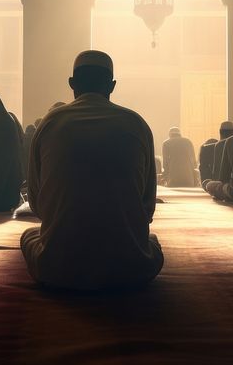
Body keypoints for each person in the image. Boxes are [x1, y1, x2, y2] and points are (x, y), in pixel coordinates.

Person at [21, 50, 163, 290]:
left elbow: (37, 204)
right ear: (112, 85)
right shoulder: (136, 124)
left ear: (72, 84)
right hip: (131, 268)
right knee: (152, 241)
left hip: (58, 268)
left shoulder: (50, 123)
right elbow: (146, 206)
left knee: (29, 235)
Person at [204, 120, 233, 191]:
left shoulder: (219, 145)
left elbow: (217, 169)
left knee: (207, 183)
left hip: (225, 186)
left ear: (220, 132)